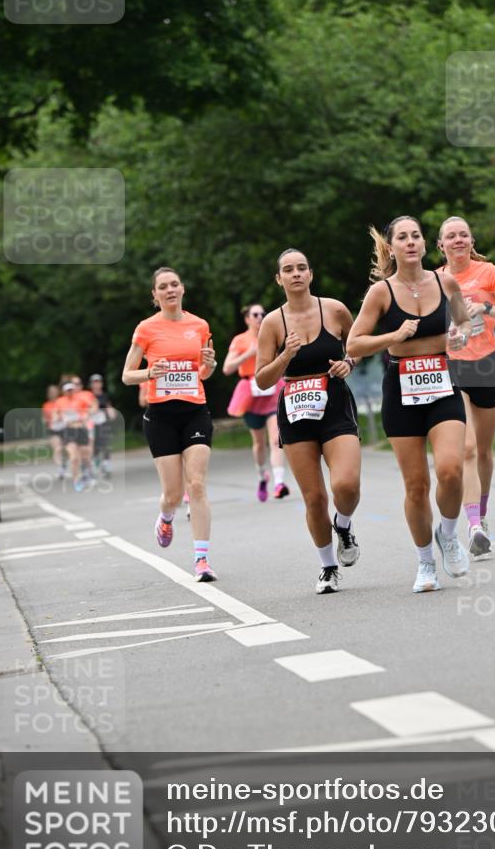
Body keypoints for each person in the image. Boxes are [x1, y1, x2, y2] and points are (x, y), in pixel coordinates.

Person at [347, 216, 471, 594]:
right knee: (416, 486)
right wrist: (393, 335)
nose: (411, 242)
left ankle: (447, 534)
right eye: (403, 237)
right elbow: (353, 345)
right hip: (401, 390)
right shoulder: (381, 293)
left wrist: (461, 335)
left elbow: (465, 323)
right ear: (393, 247)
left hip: (441, 380)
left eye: (416, 235)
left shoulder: (444, 281)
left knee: (450, 469)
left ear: (423, 243)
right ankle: (425, 563)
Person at [255, 250, 361, 594]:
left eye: (302, 268)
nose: (296, 274)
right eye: (288, 270)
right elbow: (262, 379)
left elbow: (358, 343)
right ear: (279, 279)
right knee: (314, 497)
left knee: (345, 485)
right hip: (296, 410)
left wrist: (349, 362)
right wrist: (285, 355)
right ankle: (328, 566)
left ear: (311, 274)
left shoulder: (333, 309)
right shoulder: (272, 323)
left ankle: (343, 525)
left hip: (334, 403)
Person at [121, 266, 218, 582]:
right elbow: (127, 375)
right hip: (161, 416)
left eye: (175, 284)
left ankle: (201, 560)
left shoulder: (199, 325)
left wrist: (208, 366)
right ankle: (165, 517)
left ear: (183, 288)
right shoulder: (146, 329)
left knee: (198, 483)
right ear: (155, 295)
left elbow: (203, 372)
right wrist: (150, 373)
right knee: (173, 494)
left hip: (195, 411)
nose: (170, 289)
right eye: (163, 286)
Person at [437, 215, 495, 555]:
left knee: (485, 452)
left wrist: (488, 307)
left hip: (487, 368)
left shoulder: (489, 273)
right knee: (467, 449)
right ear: (441, 245)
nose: (458, 240)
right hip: (451, 368)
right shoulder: (435, 280)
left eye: (464, 235)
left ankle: (482, 514)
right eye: (451, 236)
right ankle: (473, 525)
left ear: (471, 241)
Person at [223, 304, 289, 501]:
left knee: (276, 439)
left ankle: (279, 483)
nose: (260, 317)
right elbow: (227, 368)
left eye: (263, 314)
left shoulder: (273, 334)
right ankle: (262, 477)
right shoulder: (240, 340)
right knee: (259, 444)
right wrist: (249, 353)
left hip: (272, 391)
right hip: (251, 395)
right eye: (255, 314)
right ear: (247, 319)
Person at [53, 380, 96, 490]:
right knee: (74, 457)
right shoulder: (59, 402)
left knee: (85, 456)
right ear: (64, 392)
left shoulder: (81, 399)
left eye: (71, 390)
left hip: (81, 429)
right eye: (67, 390)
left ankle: (90, 475)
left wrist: (87, 414)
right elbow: (54, 416)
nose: (70, 392)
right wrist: (59, 418)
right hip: (69, 430)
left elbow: (93, 406)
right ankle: (76, 481)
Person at [88, 374, 117, 478]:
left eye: (98, 382)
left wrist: (111, 412)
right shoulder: (88, 395)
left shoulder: (104, 395)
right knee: (95, 446)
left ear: (101, 383)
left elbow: (108, 406)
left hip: (103, 422)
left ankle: (106, 465)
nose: (97, 384)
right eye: (94, 382)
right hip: (91, 423)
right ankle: (96, 463)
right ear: (91, 384)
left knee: (105, 443)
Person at [41, 384, 66, 477]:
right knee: (57, 448)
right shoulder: (46, 405)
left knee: (66, 449)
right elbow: (43, 418)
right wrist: (47, 421)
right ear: (48, 394)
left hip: (64, 427)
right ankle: (60, 469)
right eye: (51, 392)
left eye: (54, 391)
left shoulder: (62, 402)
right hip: (53, 429)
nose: (53, 393)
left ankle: (64, 462)